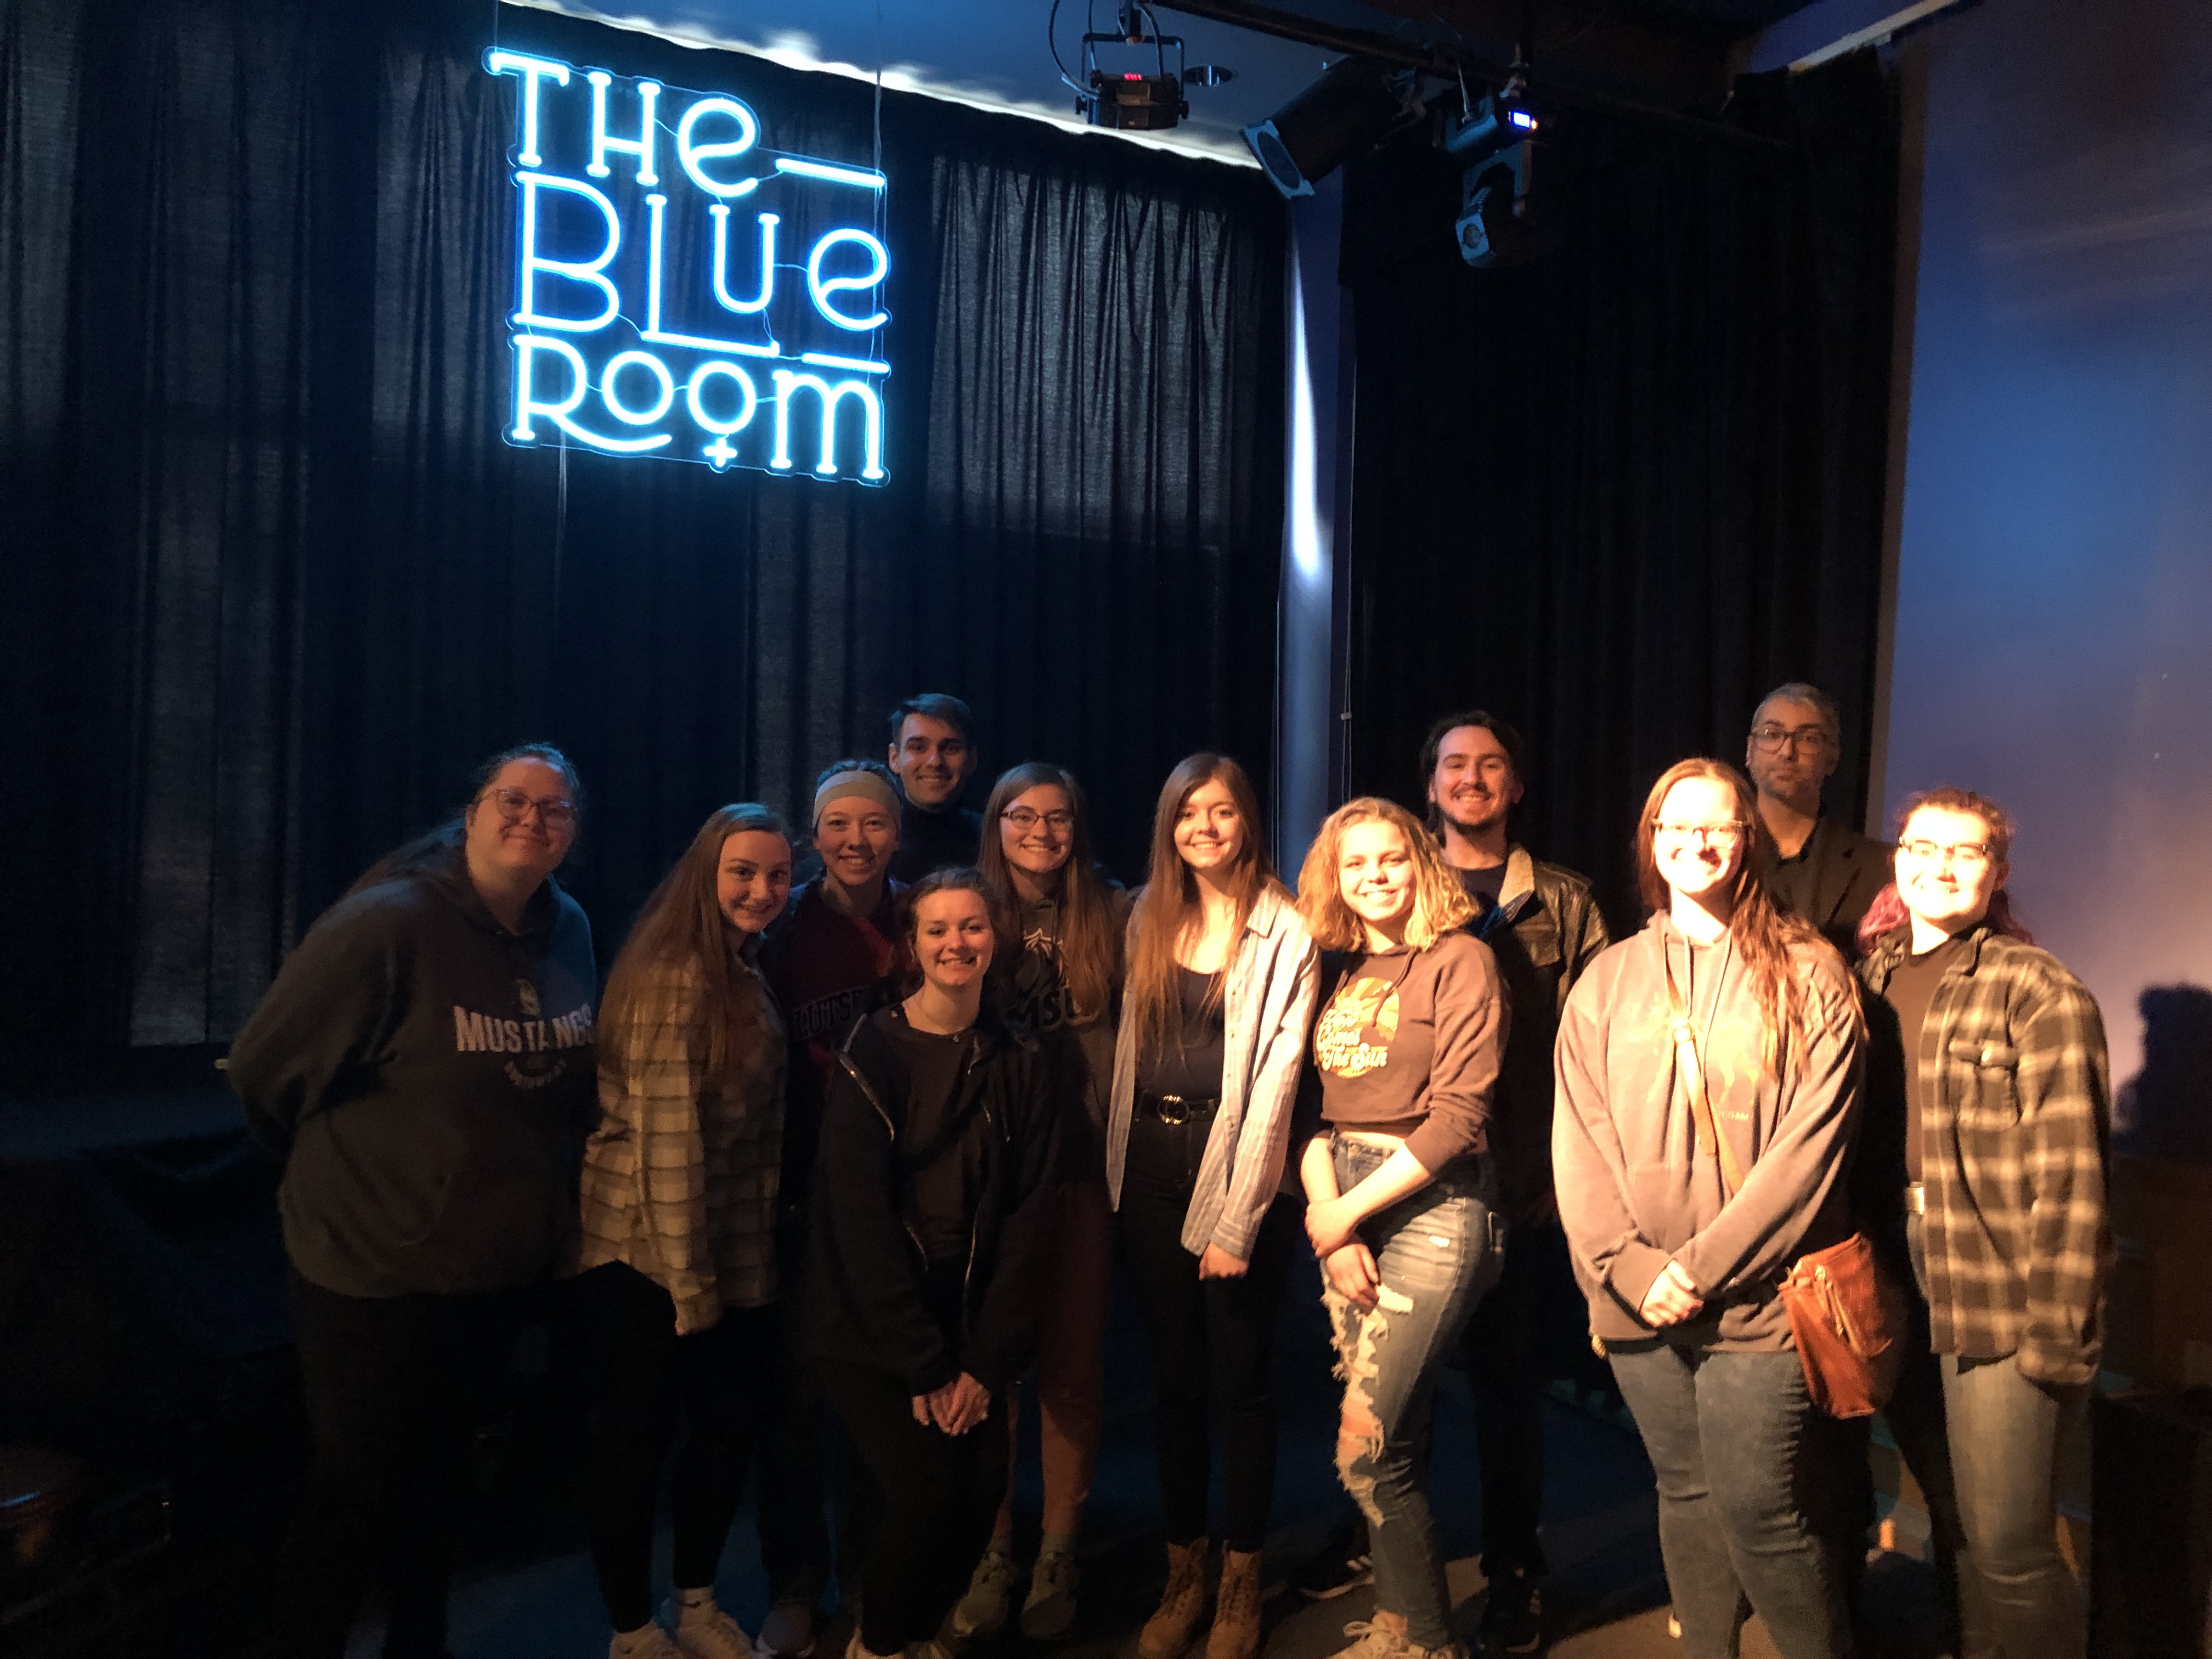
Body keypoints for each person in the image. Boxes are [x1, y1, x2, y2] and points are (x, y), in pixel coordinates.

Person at [228, 743, 598, 1659]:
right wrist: (367, 1179)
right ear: (471, 814)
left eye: (555, 807)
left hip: (492, 1270)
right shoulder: (386, 926)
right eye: (512, 799)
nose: (532, 817)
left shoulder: (571, 928)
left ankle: (420, 1644)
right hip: (373, 1270)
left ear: (572, 832)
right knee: (355, 1494)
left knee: (439, 1482)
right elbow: (265, 1070)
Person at [1554, 758, 1864, 1659]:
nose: (1696, 841)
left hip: (1758, 1298)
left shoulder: (1809, 971)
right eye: (1675, 825)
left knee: (1761, 1509)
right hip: (1635, 1294)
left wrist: (1697, 1267)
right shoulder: (1606, 979)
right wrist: (1631, 1267)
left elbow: (1810, 1148)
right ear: (1651, 841)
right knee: (1684, 1491)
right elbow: (1578, 1140)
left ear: (1746, 840)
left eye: (1717, 825)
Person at [1854, 788, 2108, 1659]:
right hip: (1893, 1269)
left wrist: (2060, 1337)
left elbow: (2074, 1181)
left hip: (1997, 1282)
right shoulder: (1868, 977)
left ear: (1997, 873)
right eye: (1923, 848)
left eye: (1965, 852)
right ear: (1898, 860)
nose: (1940, 866)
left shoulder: (2036, 988)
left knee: (2011, 1545)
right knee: (1953, 1515)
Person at [808, 868, 1062, 1659]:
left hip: (968, 1320)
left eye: (972, 927)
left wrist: (983, 1365)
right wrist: (924, 1365)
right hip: (873, 1325)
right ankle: (879, 1645)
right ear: (913, 946)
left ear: (996, 939)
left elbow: (1030, 1219)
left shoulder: (1021, 1056)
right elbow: (858, 1222)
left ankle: (913, 1635)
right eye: (938, 929)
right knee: (925, 1493)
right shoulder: (873, 1051)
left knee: (982, 1490)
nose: (957, 942)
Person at [1105, 754, 1320, 1659]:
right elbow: (1128, 1049)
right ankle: (1183, 1570)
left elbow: (1277, 1080)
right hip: (1151, 1162)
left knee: (1241, 1381)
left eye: (1220, 810)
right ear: (1170, 824)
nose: (1204, 826)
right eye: (1188, 811)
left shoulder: (1285, 926)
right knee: (1173, 1382)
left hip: (1236, 1166)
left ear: (1246, 821)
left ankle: (1240, 1579)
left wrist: (1238, 1217)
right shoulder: (1147, 914)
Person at [576, 805, 795, 1659]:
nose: (762, 890)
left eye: (777, 875)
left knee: (724, 1435)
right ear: (706, 874)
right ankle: (633, 1629)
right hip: (645, 1259)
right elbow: (667, 1146)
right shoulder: (676, 977)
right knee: (634, 1450)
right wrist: (693, 1294)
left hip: (724, 1252)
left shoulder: (741, 966)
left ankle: (695, 1603)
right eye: (743, 872)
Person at [1295, 797, 1508, 1659]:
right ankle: (1398, 1624)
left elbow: (1460, 1117)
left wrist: (1345, 1214)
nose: (1374, 876)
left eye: (1390, 858)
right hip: (1343, 1201)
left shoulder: (1461, 959)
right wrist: (1333, 1224)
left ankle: (1426, 1642)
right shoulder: (1340, 968)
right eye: (1355, 864)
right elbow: (1312, 1120)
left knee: (1368, 1449)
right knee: (1397, 1444)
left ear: (1420, 863)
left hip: (1434, 1205)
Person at [951, 765, 1132, 1641]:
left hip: (1082, 1168)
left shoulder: (1114, 911)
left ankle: (1058, 1548)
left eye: (1058, 817)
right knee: (991, 1367)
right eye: (1022, 816)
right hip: (989, 1175)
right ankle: (992, 1549)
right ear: (996, 823)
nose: (1041, 832)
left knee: (1070, 1365)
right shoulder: (966, 908)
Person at [755, 761, 910, 1657]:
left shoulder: (923, 919)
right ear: (813, 834)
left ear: (898, 832)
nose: (856, 839)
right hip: (800, 1193)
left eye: (874, 822)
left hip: (896, 1192)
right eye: (838, 823)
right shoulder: (779, 924)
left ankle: (867, 1575)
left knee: (874, 1399)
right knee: (794, 1402)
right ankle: (794, 1582)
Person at [1745, 682, 1889, 958]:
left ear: (1832, 758)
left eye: (1808, 739)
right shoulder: (1717, 853)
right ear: (1750, 751)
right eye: (1772, 734)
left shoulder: (1878, 867)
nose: (1787, 752)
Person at [886, 693, 984, 883]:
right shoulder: (873, 841)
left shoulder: (994, 839)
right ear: (894, 758)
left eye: (951, 749)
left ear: (972, 760)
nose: (935, 762)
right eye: (918, 748)